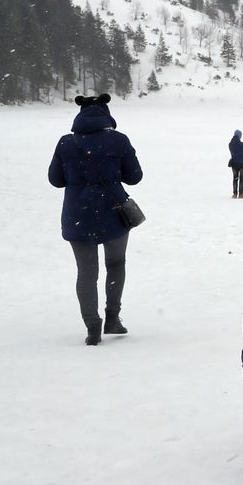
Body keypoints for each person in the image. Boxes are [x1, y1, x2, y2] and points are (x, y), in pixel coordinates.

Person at [48, 94, 143, 345]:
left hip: (78, 215)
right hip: (113, 213)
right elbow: (135, 176)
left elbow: (55, 180)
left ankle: (92, 327)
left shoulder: (66, 143)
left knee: (86, 273)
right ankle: (112, 318)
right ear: (106, 112)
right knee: (116, 264)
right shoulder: (119, 140)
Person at [229, 130, 243, 199]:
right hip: (242, 164)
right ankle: (241, 193)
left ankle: (234, 194)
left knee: (235, 178)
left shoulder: (230, 144)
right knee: (241, 178)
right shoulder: (241, 144)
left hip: (234, 164)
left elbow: (236, 150)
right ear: (239, 136)